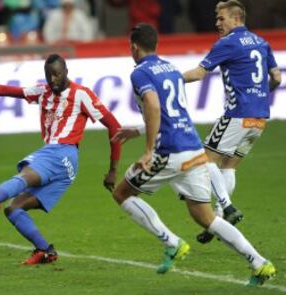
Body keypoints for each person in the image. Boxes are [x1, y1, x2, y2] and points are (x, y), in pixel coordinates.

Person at [111, 23, 276, 286]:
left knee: (121, 193)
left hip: (168, 152)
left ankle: (172, 243)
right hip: (194, 151)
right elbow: (172, 112)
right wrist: (139, 130)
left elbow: (153, 104)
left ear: (133, 47)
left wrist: (148, 149)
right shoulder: (171, 70)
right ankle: (258, 262)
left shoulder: (140, 73)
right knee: (205, 217)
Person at [0, 54, 122, 265]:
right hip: (67, 170)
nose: (53, 80)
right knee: (14, 209)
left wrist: (113, 168)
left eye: (56, 74)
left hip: (62, 152)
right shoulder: (42, 91)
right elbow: (7, 90)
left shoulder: (81, 94)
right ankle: (45, 251)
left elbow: (113, 125)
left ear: (66, 71)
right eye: (48, 76)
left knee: (25, 176)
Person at [183, 0, 282, 243]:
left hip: (238, 114)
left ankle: (226, 208)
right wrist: (260, 96)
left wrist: (170, 78)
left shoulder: (227, 43)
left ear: (236, 19)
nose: (217, 23)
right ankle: (217, 219)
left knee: (204, 159)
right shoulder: (262, 42)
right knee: (229, 166)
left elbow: (198, 73)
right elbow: (277, 78)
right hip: (259, 118)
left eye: (221, 18)